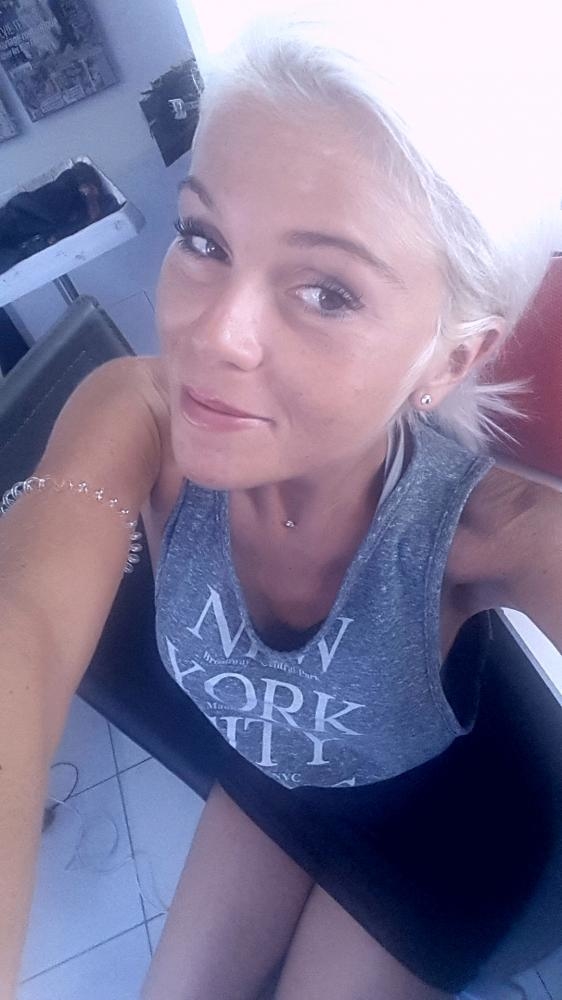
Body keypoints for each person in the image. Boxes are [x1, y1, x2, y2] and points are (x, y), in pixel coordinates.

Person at [1, 5, 561, 999]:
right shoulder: (140, 419)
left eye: (328, 292)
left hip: (447, 827)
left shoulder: (489, 530)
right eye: (204, 238)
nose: (216, 333)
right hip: (272, 781)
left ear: (450, 359)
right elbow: (25, 631)